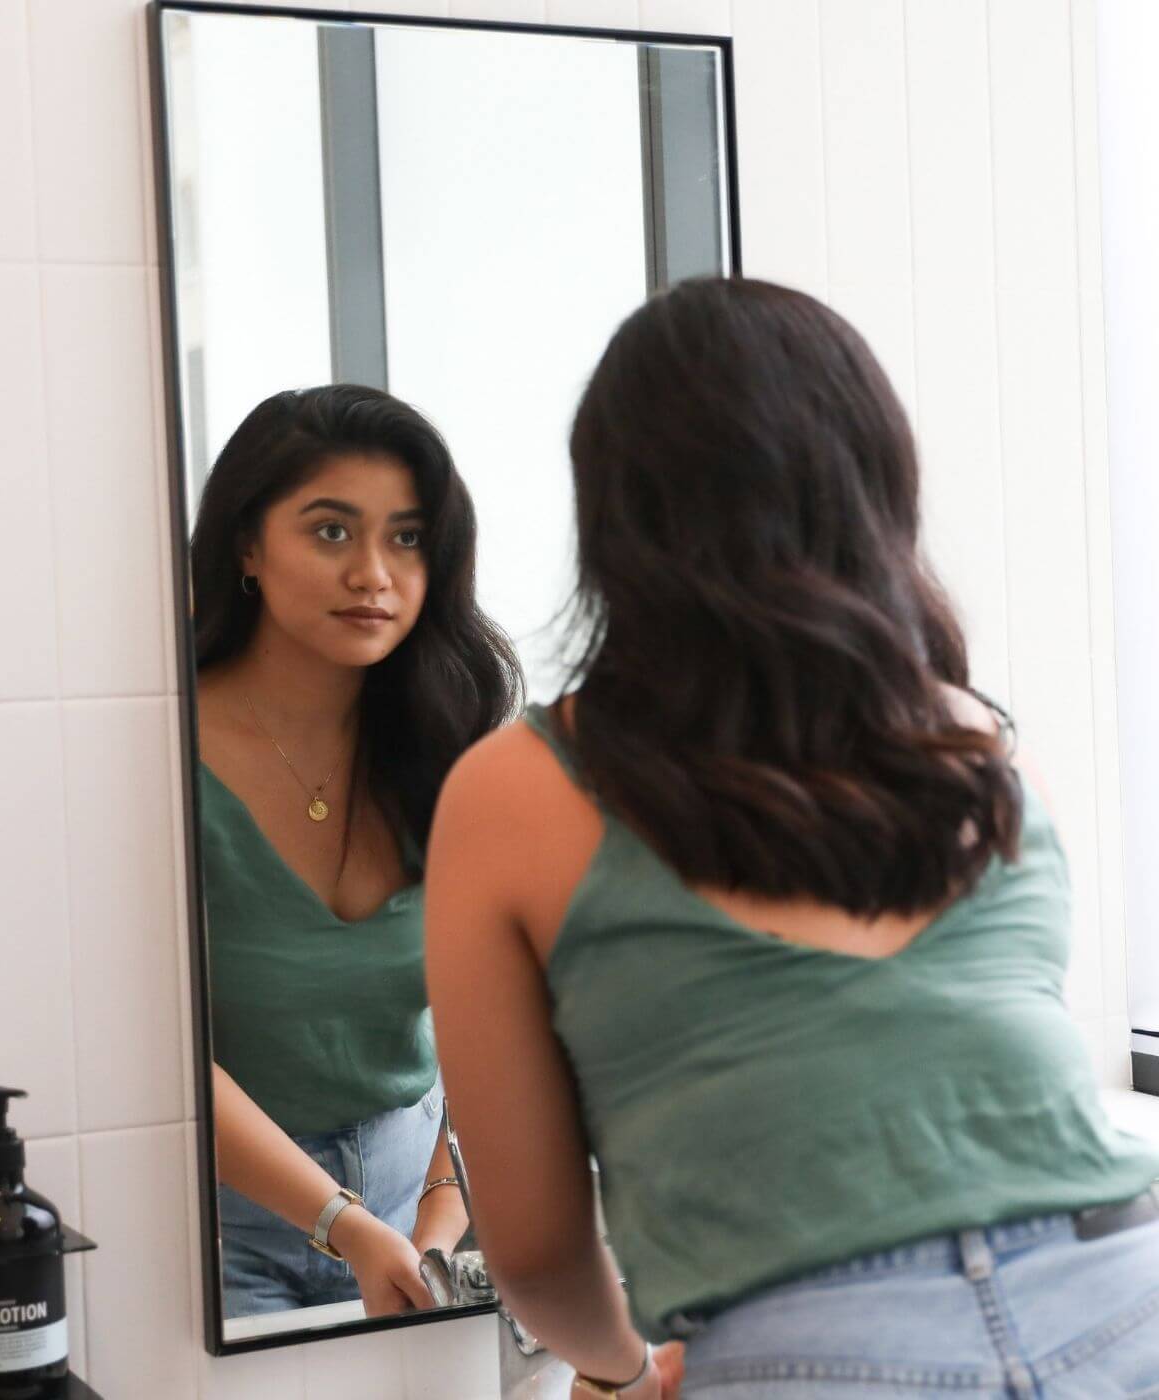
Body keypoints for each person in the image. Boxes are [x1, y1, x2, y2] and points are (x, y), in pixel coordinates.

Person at [425, 279, 1159, 1397]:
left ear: (616, 514)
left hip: (811, 1345)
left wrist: (626, 1369)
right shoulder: (978, 746)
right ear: (873, 483)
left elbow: (528, 1248)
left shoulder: (513, 792)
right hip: (1126, 1287)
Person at [191, 384, 521, 1319]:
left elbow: (501, 1017)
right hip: (224, 1219)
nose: (374, 572)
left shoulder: (457, 740)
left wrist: (436, 1221)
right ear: (248, 546)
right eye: (331, 532)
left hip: (420, 1206)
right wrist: (339, 1220)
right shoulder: (160, 749)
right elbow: (157, 1054)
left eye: (407, 537)